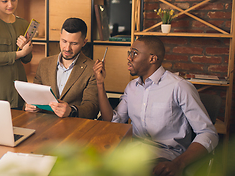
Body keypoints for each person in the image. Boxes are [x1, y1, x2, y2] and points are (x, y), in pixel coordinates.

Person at [93, 36, 218, 176]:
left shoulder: (179, 87)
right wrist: (100, 83)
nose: (129, 58)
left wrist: (178, 164)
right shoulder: (131, 87)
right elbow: (112, 122)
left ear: (152, 59)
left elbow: (208, 133)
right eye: (129, 53)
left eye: (134, 53)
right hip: (133, 152)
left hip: (166, 156)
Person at [25, 18, 99, 119]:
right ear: (60, 37)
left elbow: (92, 108)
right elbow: (35, 96)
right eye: (64, 41)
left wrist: (72, 110)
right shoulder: (44, 63)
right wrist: (30, 105)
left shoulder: (92, 69)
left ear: (84, 42)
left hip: (74, 127)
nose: (67, 48)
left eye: (74, 43)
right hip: (44, 123)